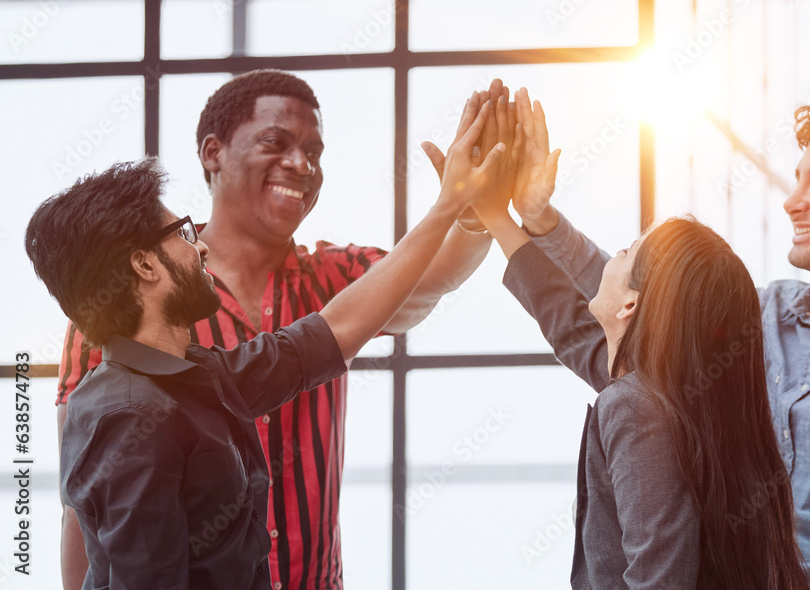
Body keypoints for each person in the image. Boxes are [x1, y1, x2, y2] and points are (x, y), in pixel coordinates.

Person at [55, 71, 510, 589]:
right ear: (213, 152)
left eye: (314, 151)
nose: (302, 165)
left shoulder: (316, 289)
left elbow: (406, 292)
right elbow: (84, 509)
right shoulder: (119, 345)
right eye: (276, 142)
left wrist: (471, 213)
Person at [507, 94, 810, 588]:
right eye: (799, 178)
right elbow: (643, 295)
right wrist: (540, 219)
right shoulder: (762, 311)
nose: (792, 200)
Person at [465, 92, 810, 588]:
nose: (611, 256)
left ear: (630, 306)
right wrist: (500, 215)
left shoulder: (635, 404)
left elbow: (658, 578)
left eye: (624, 252)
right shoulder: (667, 391)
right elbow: (565, 322)